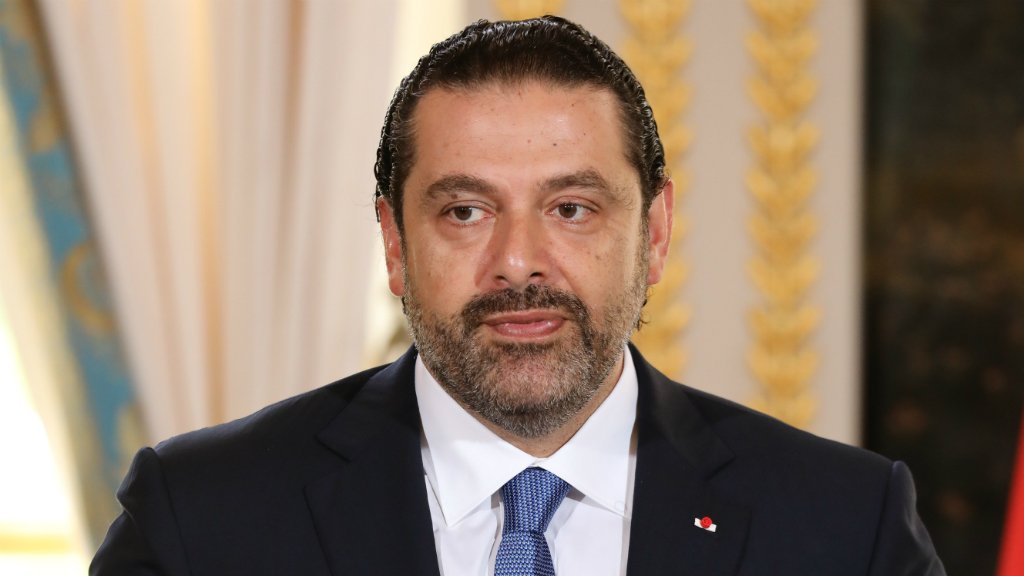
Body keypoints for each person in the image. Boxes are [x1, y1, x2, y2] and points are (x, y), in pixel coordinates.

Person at [90, 16, 944, 575]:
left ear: (653, 232)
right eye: (465, 211)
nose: (519, 263)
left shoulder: (846, 526)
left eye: (571, 209)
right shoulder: (203, 518)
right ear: (395, 243)